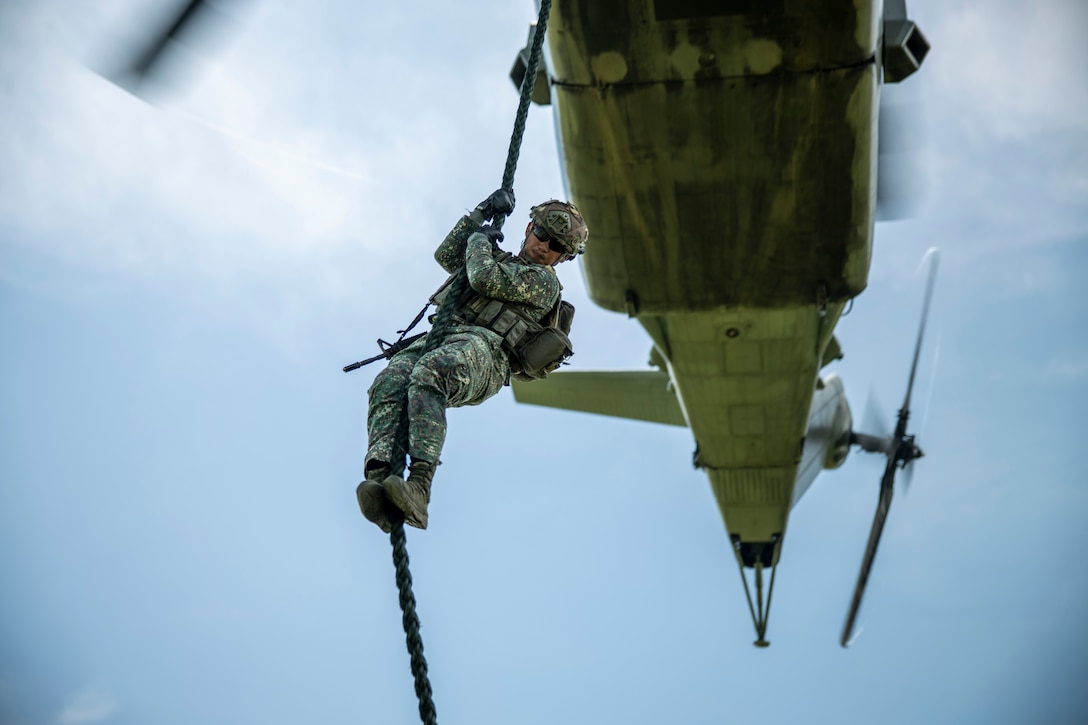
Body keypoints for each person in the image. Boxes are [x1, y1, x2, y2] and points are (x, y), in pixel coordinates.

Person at [356, 190, 589, 532]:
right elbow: (447, 255)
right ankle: (380, 477)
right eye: (541, 234)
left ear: (564, 258)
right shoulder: (494, 257)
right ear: (529, 228)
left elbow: (482, 277)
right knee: (391, 380)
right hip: (446, 335)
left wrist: (479, 242)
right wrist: (481, 214)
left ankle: (419, 486)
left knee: (431, 373)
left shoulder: (543, 284)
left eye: (556, 246)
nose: (544, 247)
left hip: (487, 352)